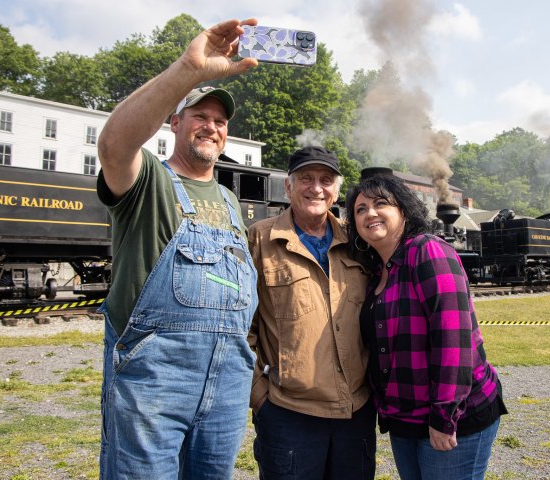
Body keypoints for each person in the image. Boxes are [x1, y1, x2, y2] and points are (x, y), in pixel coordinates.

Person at [95, 18, 260, 479]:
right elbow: (113, 142)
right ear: (174, 122)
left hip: (228, 381)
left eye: (219, 121)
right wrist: (190, 69)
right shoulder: (146, 178)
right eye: (199, 116)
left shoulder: (230, 201)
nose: (211, 127)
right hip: (155, 380)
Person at [346, 173, 507, 480]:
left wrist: (445, 416)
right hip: (405, 418)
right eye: (360, 209)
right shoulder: (377, 271)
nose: (371, 213)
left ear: (403, 211)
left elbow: (453, 338)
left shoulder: (427, 251)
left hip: (455, 416)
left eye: (381, 204)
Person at [247, 146, 376, 479]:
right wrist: (259, 396)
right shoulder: (260, 239)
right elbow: (238, 328)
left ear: (336, 190)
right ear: (288, 187)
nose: (316, 188)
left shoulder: (359, 240)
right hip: (289, 413)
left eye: (326, 179)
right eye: (306, 178)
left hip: (356, 413)